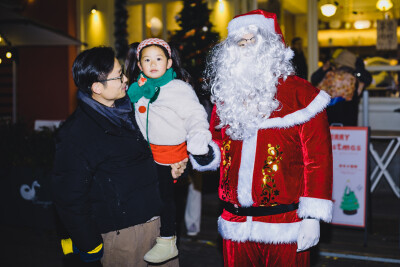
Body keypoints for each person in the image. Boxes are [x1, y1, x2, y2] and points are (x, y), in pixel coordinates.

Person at [201, 10, 333, 266]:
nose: (247, 49)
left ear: (272, 46)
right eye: (241, 43)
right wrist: (204, 153)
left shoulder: (301, 96)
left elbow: (317, 160)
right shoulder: (226, 98)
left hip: (285, 224)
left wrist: (312, 217)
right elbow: (217, 145)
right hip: (236, 224)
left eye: (253, 41)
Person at [52, 46, 186, 267]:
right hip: (122, 236)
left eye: (122, 72)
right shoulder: (76, 133)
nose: (126, 78)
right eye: (118, 75)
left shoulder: (135, 110)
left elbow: (161, 146)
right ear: (97, 87)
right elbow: (69, 198)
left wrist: (175, 167)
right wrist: (90, 246)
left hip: (159, 226)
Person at [124, 38, 219, 264]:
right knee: (151, 200)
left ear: (168, 63)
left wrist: (198, 138)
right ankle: (153, 237)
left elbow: (195, 115)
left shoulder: (177, 88)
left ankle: (168, 241)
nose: (153, 63)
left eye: (159, 58)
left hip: (170, 154)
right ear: (139, 64)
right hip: (146, 154)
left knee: (165, 199)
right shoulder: (137, 88)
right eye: (147, 60)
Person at [311, 49, 372, 126]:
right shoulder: (355, 80)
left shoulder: (328, 75)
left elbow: (314, 81)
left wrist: (323, 69)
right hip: (349, 121)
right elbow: (368, 80)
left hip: (328, 120)